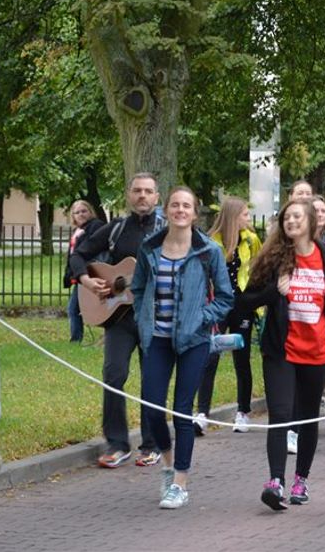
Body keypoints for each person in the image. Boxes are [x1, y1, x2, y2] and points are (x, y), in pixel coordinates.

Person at [239, 198, 325, 510]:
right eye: (287, 217)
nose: (291, 222)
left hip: (316, 352)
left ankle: (301, 478)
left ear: (311, 222)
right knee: (280, 415)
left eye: (297, 216)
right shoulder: (273, 259)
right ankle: (275, 481)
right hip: (281, 351)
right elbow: (245, 301)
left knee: (306, 418)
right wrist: (273, 292)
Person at [130, 187, 235, 509]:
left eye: (186, 206)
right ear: (166, 209)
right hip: (157, 340)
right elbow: (137, 289)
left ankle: (180, 482)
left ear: (194, 212)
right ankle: (167, 462)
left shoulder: (207, 251)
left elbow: (226, 297)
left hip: (194, 341)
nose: (180, 210)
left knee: (182, 411)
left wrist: (201, 319)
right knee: (151, 407)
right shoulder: (149, 248)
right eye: (174, 205)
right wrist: (142, 319)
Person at [67, 173, 164, 469]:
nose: (142, 196)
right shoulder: (117, 229)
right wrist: (86, 280)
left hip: (154, 316)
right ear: (129, 195)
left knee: (152, 380)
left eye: (148, 191)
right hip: (118, 316)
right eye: (137, 191)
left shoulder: (169, 231)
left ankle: (151, 443)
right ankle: (117, 443)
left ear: (157, 197)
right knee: (113, 376)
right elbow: (79, 255)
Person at [194, 196, 263, 435]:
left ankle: (243, 412)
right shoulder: (211, 242)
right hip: (217, 306)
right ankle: (202, 413)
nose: (248, 219)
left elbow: (258, 270)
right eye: (245, 214)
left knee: (241, 359)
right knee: (209, 355)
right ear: (233, 216)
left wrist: (253, 302)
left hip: (242, 306)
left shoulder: (252, 240)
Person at [63, 200, 104, 342]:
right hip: (80, 274)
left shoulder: (96, 226)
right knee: (75, 308)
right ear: (73, 216)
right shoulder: (78, 230)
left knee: (73, 309)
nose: (80, 214)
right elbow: (72, 254)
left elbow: (91, 250)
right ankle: (76, 338)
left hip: (90, 273)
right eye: (77, 212)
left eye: (84, 211)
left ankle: (75, 339)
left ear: (90, 212)